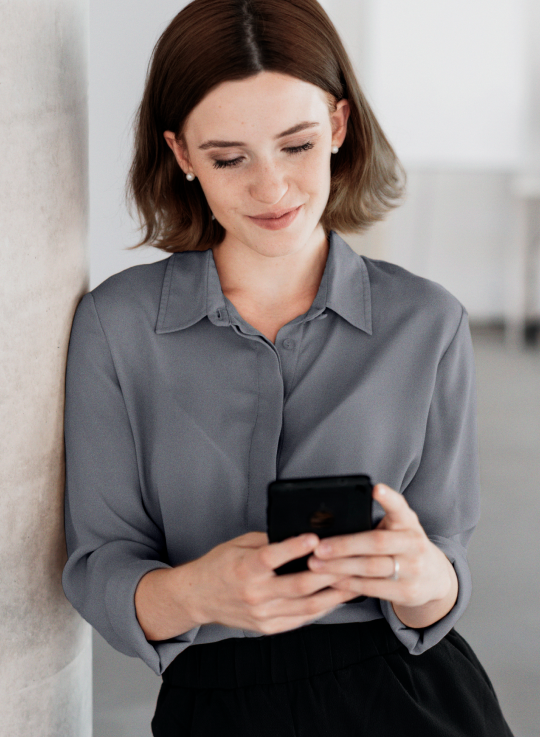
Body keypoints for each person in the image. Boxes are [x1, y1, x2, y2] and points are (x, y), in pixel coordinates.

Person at [61, 0, 516, 735]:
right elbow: (99, 562)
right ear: (181, 155)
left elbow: (442, 573)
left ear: (338, 126)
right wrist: (198, 593)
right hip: (214, 702)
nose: (271, 189)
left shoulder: (429, 321)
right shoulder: (117, 327)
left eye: (297, 145)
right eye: (229, 157)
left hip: (411, 698)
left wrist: (424, 575)